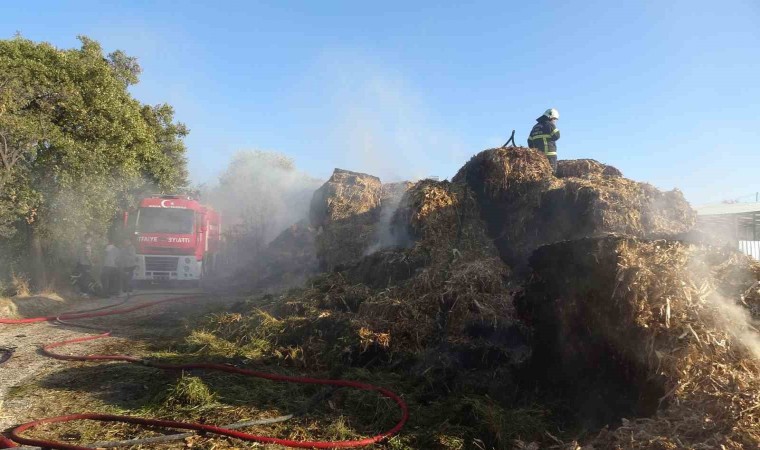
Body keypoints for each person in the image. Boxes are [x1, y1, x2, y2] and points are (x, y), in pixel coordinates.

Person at [527, 108, 561, 173]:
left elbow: (529, 141)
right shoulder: (550, 125)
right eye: (554, 119)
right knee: (551, 174)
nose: (555, 121)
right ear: (551, 117)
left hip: (538, 156)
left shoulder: (535, 127)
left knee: (540, 174)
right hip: (550, 156)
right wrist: (553, 126)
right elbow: (557, 136)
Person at [75, 232, 94, 296]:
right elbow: (87, 255)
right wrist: (91, 263)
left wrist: (78, 263)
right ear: (89, 238)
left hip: (80, 264)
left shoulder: (81, 245)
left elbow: (77, 255)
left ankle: (81, 291)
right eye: (91, 238)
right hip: (86, 264)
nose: (91, 240)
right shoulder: (87, 246)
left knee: (81, 278)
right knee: (86, 279)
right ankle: (85, 292)